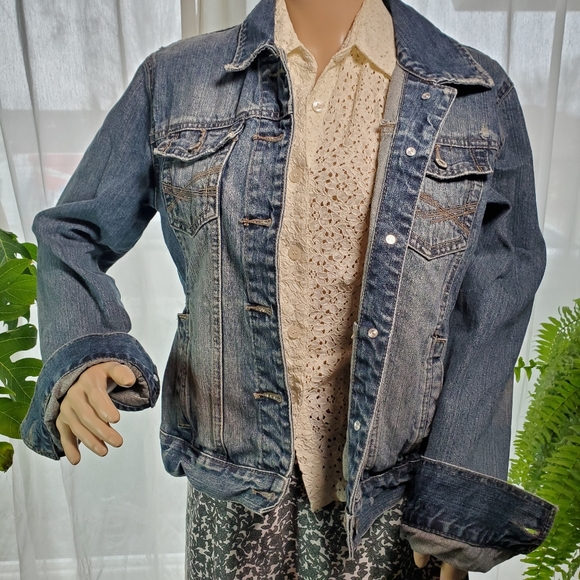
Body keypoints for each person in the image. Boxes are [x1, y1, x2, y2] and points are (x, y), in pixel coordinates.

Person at [21, 0, 557, 578]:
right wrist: (87, 346)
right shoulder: (177, 80)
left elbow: (499, 292)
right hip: (233, 484)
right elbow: (72, 229)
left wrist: (455, 491)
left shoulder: (474, 93)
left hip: (394, 499)